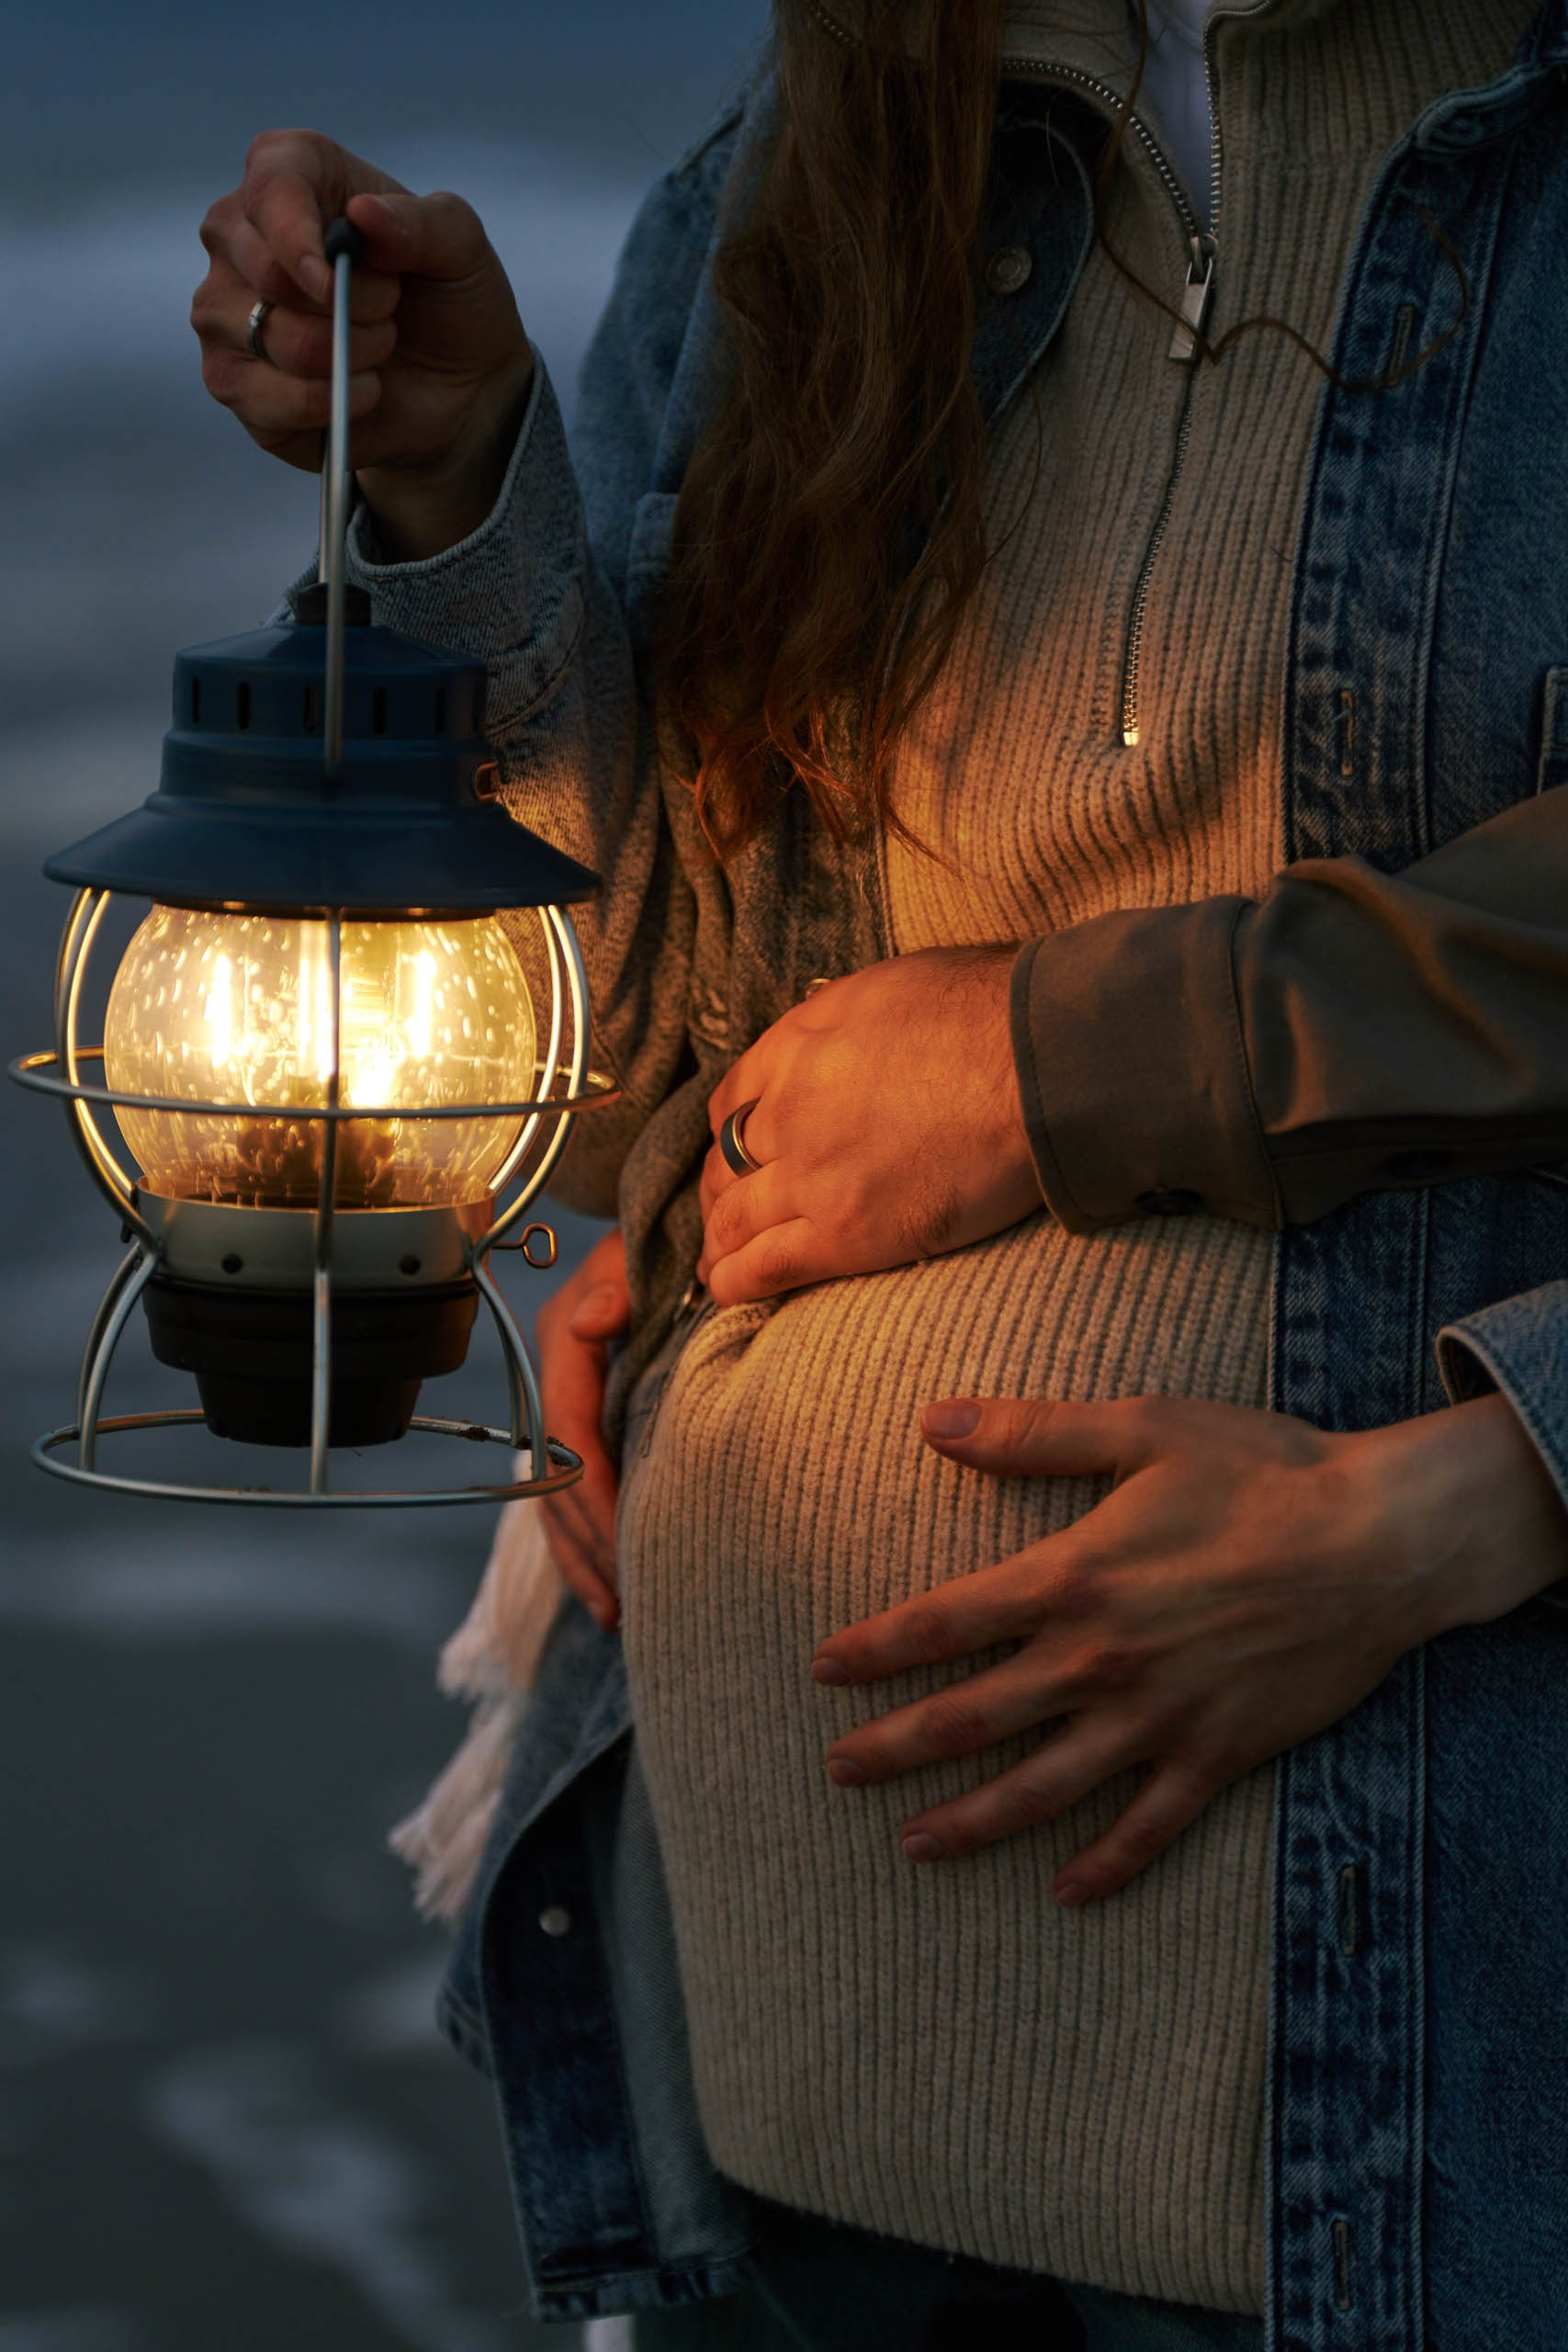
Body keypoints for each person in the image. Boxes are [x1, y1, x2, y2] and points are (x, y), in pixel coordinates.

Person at [191, 3, 1568, 2346]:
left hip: (1384, 2099)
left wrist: (1470, 1470)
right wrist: (450, 484)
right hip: (770, 2088)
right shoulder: (831, 149)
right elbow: (625, 1050)